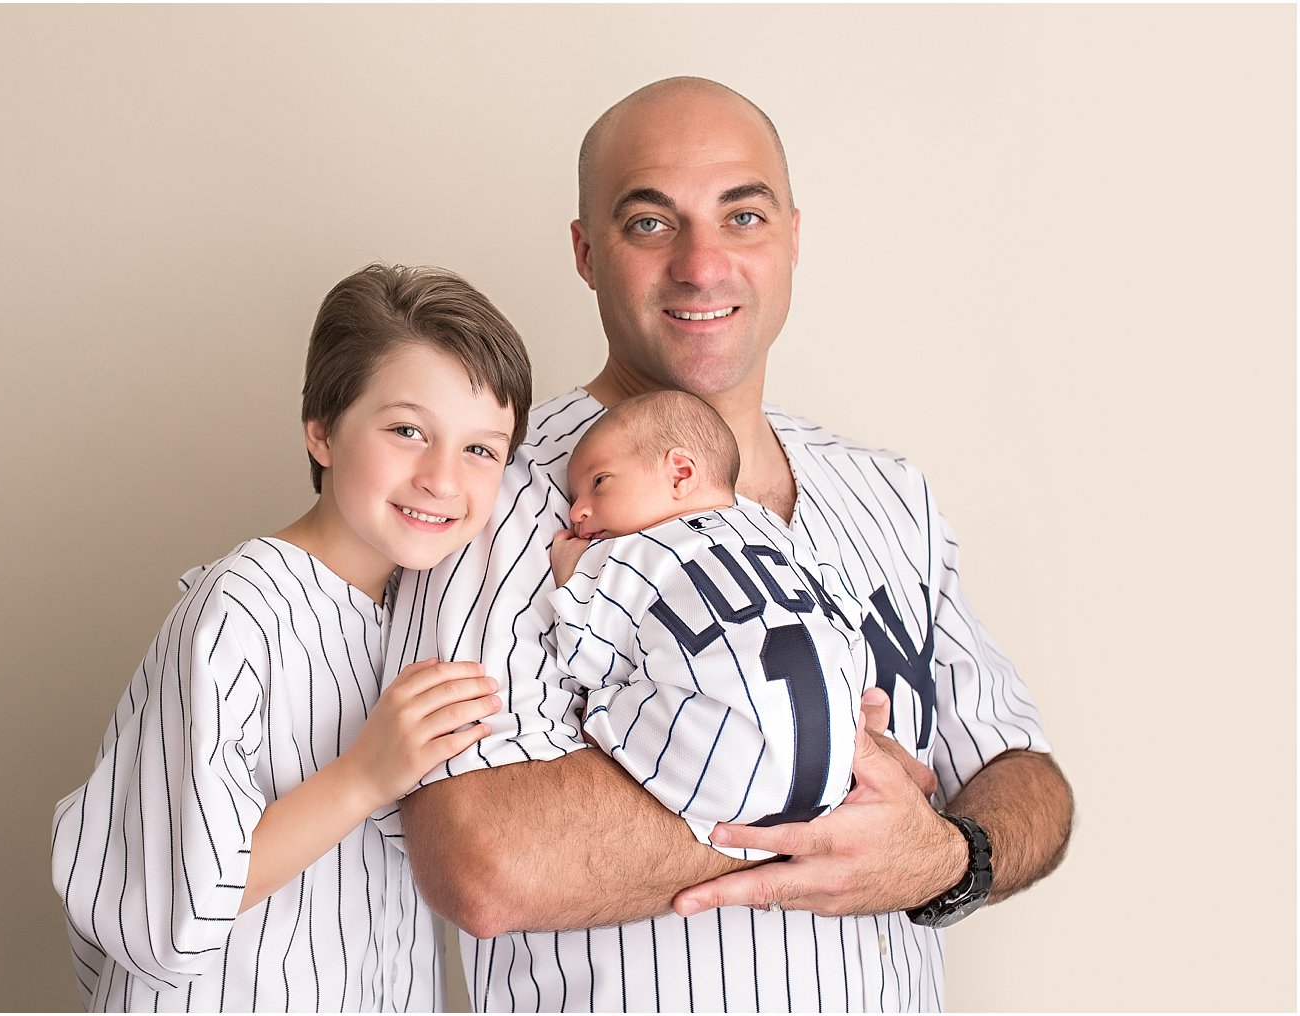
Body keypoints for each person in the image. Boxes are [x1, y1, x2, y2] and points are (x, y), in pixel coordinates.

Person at [383, 77, 1074, 1012]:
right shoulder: (493, 494)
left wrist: (948, 856)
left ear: (792, 236)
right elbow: (484, 860)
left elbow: (1024, 777)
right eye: (650, 224)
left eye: (742, 216)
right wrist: (830, 796)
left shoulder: (888, 494)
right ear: (587, 253)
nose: (702, 266)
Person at [50, 263, 532, 1012]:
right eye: (408, 430)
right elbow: (169, 914)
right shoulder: (241, 607)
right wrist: (364, 777)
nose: (443, 478)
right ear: (323, 430)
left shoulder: (434, 613)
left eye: (481, 449)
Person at [547, 389, 866, 859]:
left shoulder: (632, 555)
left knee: (601, 702)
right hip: (830, 779)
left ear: (680, 473)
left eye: (599, 483)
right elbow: (846, 613)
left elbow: (588, 659)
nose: (578, 512)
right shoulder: (774, 534)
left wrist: (572, 578)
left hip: (725, 780)